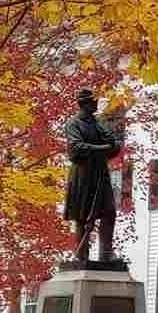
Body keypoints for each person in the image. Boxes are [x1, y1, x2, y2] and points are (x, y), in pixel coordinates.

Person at [62, 89, 120, 263]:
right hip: (83, 175)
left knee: (109, 212)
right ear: (85, 104)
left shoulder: (98, 123)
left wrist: (111, 144)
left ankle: (106, 255)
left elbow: (114, 146)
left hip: (100, 173)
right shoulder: (73, 124)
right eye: (93, 101)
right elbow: (75, 149)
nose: (96, 104)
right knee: (82, 216)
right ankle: (82, 256)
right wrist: (102, 149)